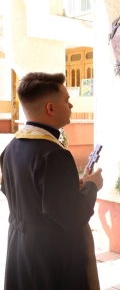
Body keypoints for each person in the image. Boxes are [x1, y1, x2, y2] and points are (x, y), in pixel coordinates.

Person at [0, 72, 103, 290]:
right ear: (50, 108)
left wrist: (68, 188)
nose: (71, 105)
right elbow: (72, 216)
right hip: (51, 257)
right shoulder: (53, 154)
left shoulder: (11, 148)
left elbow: (24, 193)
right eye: (66, 100)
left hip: (19, 248)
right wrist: (93, 185)